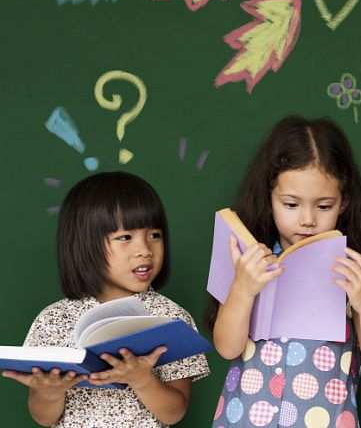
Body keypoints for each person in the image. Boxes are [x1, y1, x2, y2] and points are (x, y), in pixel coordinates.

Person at [209, 116, 361, 427]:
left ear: (344, 202)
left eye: (324, 206)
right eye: (291, 205)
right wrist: (242, 289)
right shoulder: (249, 264)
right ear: (269, 198)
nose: (308, 219)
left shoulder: (355, 273)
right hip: (246, 418)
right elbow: (227, 348)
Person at [3, 171, 209, 427]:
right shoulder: (52, 320)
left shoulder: (170, 318)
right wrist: (49, 393)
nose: (145, 250)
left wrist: (142, 379)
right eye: (125, 237)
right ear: (85, 244)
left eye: (154, 235)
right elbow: (43, 418)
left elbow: (174, 413)